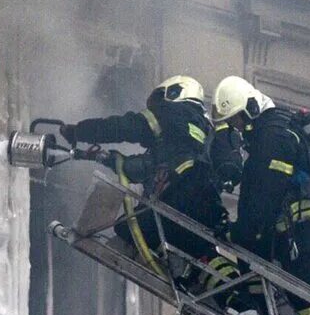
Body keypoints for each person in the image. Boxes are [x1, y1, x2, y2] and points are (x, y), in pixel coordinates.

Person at [206, 75, 310, 315]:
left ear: (252, 109)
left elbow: (264, 195)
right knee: (296, 283)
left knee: (307, 288)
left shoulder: (272, 137)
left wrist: (240, 232)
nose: (238, 127)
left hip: (299, 221)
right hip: (295, 222)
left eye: (237, 120)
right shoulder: (271, 131)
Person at [60, 75, 227, 268]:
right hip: (208, 208)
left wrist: (80, 131)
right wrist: (111, 160)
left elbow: (123, 128)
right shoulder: (207, 132)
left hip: (178, 198)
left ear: (174, 93)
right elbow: (152, 166)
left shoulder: (170, 112)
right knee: (199, 256)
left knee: (127, 229)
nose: (153, 109)